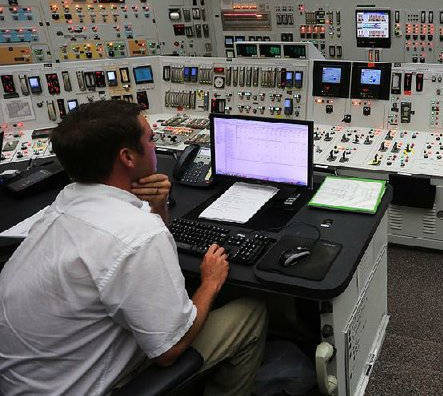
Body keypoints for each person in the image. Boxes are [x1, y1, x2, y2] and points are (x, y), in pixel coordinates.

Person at [0, 100, 266, 395]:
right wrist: (211, 283)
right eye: (151, 139)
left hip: (30, 381)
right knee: (250, 313)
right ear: (127, 157)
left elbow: (125, 241)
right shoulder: (139, 235)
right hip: (86, 387)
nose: (155, 147)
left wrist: (158, 208)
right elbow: (170, 350)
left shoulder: (62, 207)